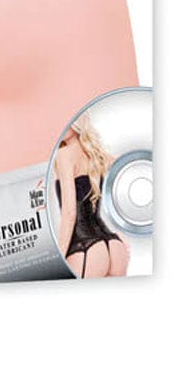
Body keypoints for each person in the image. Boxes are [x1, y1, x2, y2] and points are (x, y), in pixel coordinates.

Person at [54, 112, 129, 278]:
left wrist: (57, 259)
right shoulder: (97, 155)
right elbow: (129, 165)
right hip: (114, 245)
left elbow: (69, 213)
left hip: (85, 248)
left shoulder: (64, 155)